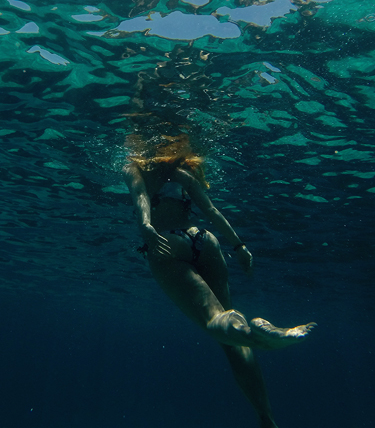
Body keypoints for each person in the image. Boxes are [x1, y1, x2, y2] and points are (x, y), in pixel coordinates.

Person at [123, 134, 316, 428]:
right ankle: (266, 417)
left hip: (166, 244)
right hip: (204, 239)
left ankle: (258, 336)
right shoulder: (183, 173)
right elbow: (211, 211)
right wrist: (239, 247)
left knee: (215, 322)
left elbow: (140, 198)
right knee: (230, 335)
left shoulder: (134, 167)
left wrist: (147, 226)